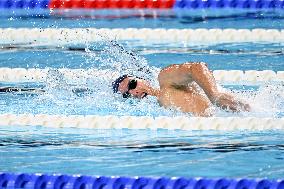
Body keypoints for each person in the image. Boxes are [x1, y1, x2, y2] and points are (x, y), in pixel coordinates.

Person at [112, 62, 250, 116]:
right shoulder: (159, 109)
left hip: (239, 113)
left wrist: (214, 95)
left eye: (132, 84)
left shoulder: (165, 79)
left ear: (142, 78)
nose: (134, 92)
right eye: (127, 95)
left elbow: (197, 67)